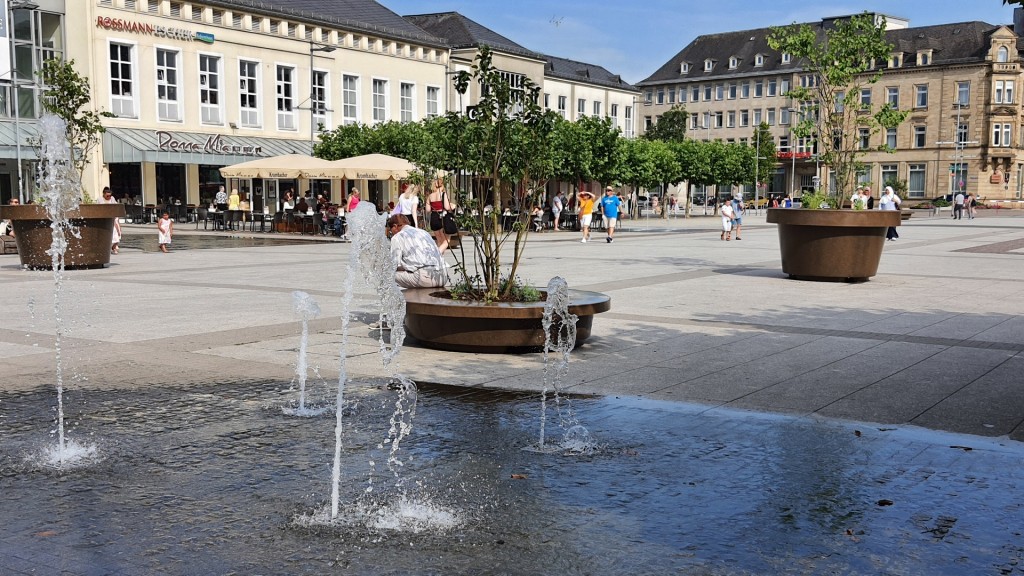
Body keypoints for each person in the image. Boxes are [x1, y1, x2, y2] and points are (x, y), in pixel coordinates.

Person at [386, 214, 447, 289]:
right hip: (443, 276)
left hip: (425, 278)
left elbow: (394, 264)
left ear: (395, 226)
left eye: (390, 230)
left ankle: (395, 299)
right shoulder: (424, 232)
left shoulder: (398, 237)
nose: (391, 233)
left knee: (385, 274)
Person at [426, 179, 455, 253]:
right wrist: (453, 206)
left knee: (439, 240)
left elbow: (428, 209)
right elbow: (447, 207)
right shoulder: (443, 194)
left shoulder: (430, 196)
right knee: (446, 240)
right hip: (443, 217)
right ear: (443, 185)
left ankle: (439, 260)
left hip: (434, 217)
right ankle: (437, 253)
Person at [99, 186, 122, 254]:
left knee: (117, 231)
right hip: (105, 217)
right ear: (104, 194)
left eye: (110, 195)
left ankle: (115, 246)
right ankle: (109, 247)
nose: (109, 197)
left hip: (113, 216)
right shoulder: (100, 199)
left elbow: (115, 206)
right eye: (107, 196)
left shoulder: (112, 199)